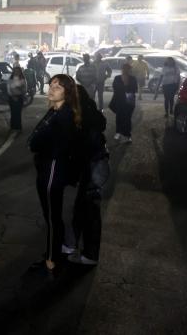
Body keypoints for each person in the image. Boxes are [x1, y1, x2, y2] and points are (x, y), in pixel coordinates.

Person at [28, 74, 81, 273]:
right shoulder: (53, 111)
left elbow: (42, 143)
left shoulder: (64, 115)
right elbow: (34, 138)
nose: (51, 89)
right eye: (51, 85)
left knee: (52, 216)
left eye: (57, 87)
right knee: (50, 214)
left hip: (52, 169)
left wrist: (38, 145)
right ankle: (54, 253)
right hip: (45, 167)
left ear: (67, 93)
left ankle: (51, 259)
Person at [69, 85, 107, 266]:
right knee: (81, 207)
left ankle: (91, 254)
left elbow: (80, 147)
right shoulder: (89, 109)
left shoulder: (82, 117)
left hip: (94, 165)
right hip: (96, 164)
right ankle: (73, 245)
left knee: (90, 210)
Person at [109, 64, 138, 143]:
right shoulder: (117, 78)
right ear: (122, 69)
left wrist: (125, 86)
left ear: (129, 70)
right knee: (119, 117)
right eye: (124, 69)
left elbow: (135, 89)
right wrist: (124, 87)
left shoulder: (133, 78)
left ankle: (128, 135)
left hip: (129, 101)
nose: (125, 70)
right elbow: (115, 88)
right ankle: (118, 132)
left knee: (127, 118)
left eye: (127, 69)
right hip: (119, 100)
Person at [7, 66, 27, 131]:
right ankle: (12, 126)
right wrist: (13, 96)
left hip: (19, 97)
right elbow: (9, 89)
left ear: (20, 72)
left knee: (18, 112)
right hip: (11, 98)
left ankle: (18, 126)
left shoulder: (23, 79)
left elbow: (25, 89)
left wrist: (20, 93)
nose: (16, 72)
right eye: (15, 71)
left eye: (18, 71)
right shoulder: (10, 79)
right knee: (13, 112)